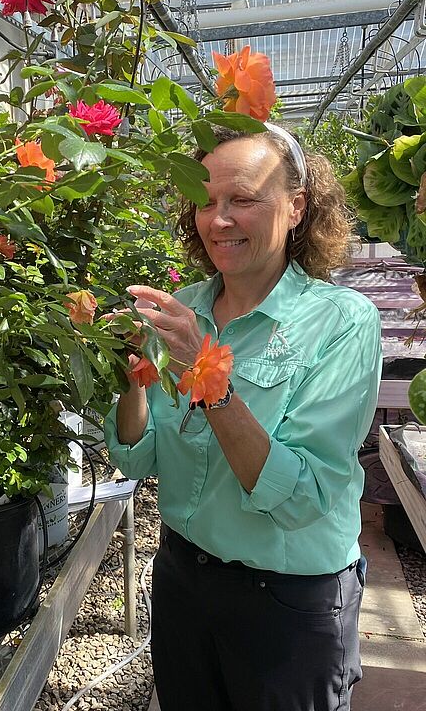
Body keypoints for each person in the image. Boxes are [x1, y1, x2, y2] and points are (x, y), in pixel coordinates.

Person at [104, 124, 382, 711]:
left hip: (287, 602)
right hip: (183, 578)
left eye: (244, 199)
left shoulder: (341, 323)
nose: (218, 220)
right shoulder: (188, 312)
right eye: (205, 201)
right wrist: (131, 372)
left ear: (296, 207)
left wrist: (205, 374)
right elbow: (137, 455)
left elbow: (302, 495)